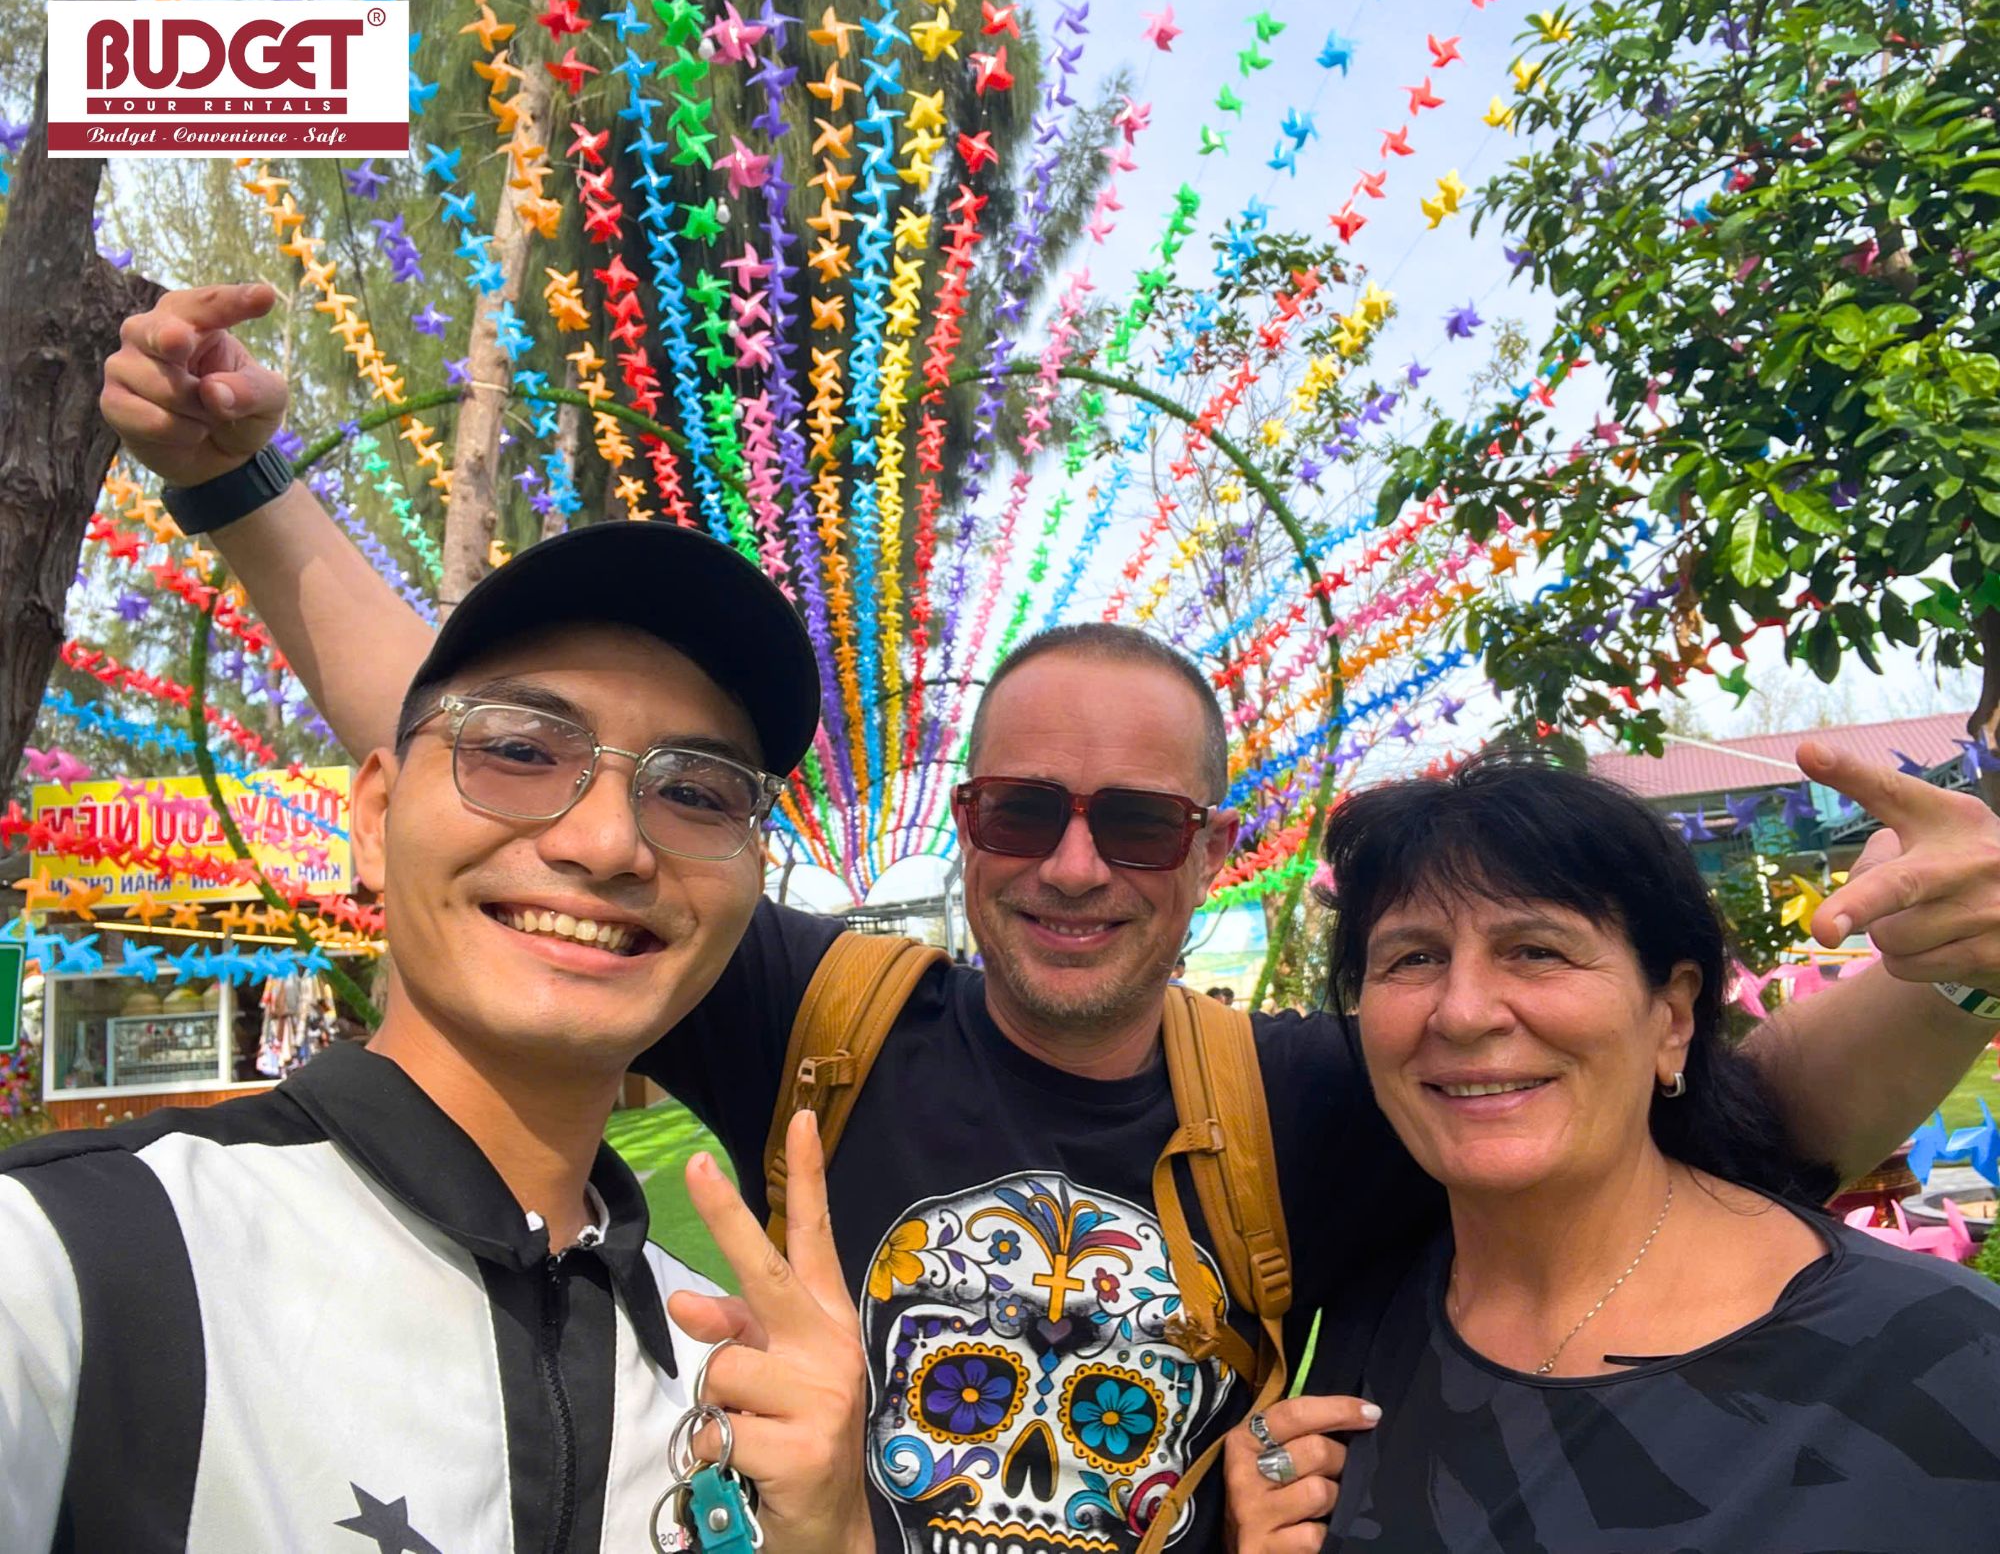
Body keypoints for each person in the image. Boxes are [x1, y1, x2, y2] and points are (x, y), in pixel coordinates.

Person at [97, 283, 2000, 1551]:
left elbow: (1755, 1110)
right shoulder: (814, 1013)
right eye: (1021, 808)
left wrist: (1951, 959)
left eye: (1137, 820)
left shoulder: (1327, 1097)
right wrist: (240, 484)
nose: (1073, 864)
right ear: (967, 822)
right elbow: (498, 764)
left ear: (1213, 844)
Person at [0, 515, 872, 1552]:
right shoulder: (75, 1267)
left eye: (693, 791)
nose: (607, 843)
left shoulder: (725, 1374)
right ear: (373, 816)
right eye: (516, 750)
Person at [1227, 755, 2000, 1551]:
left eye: (1537, 950)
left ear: (1671, 1016)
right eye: (1413, 958)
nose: (1461, 1013)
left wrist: (1963, 975)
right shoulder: (1366, 1309)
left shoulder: (1942, 1360)